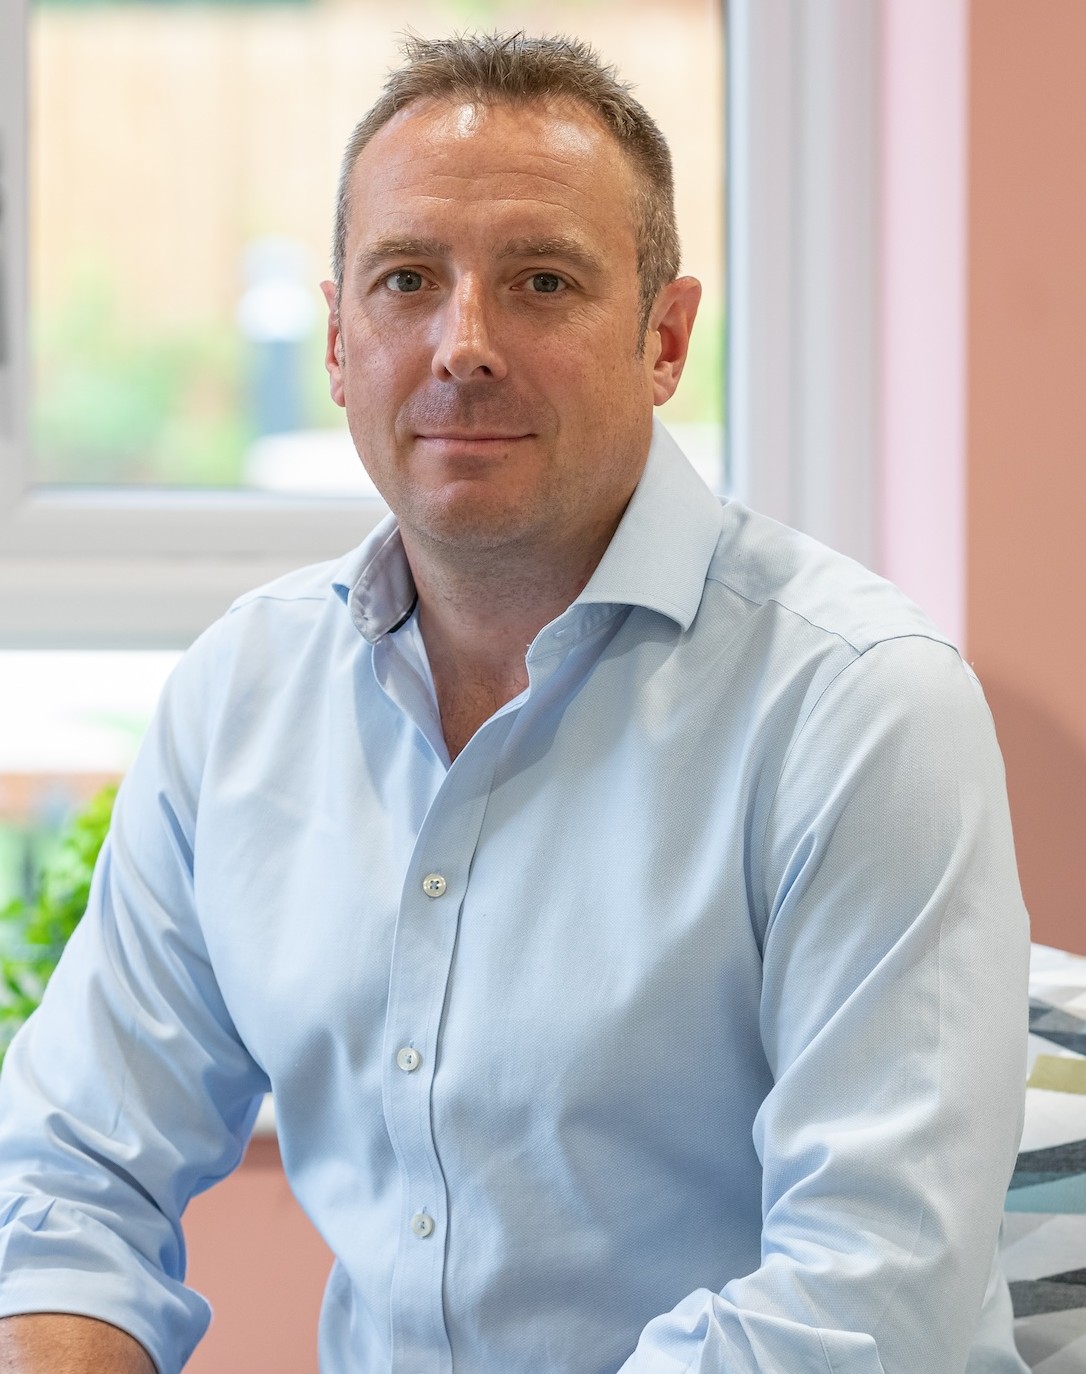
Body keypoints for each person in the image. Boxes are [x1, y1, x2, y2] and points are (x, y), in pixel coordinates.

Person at [0, 31, 1029, 1374]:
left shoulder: (858, 708)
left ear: (664, 339)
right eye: (405, 281)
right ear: (333, 338)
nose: (461, 344)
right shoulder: (240, 697)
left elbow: (866, 1300)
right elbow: (74, 1175)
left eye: (541, 281)